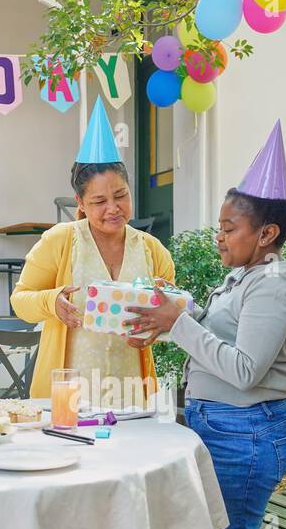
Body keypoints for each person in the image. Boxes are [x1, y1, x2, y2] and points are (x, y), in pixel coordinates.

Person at [126, 122, 286, 529]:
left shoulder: (276, 285)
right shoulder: (245, 277)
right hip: (216, 426)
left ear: (267, 232)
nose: (219, 236)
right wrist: (182, 306)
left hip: (250, 433)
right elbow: (218, 327)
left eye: (230, 228)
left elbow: (246, 368)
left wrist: (179, 324)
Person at [11, 98, 174, 406]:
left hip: (130, 394)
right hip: (68, 395)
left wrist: (163, 313)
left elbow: (167, 319)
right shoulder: (61, 241)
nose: (113, 209)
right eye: (99, 202)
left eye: (121, 195)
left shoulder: (152, 250)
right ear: (81, 203)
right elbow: (20, 301)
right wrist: (52, 302)